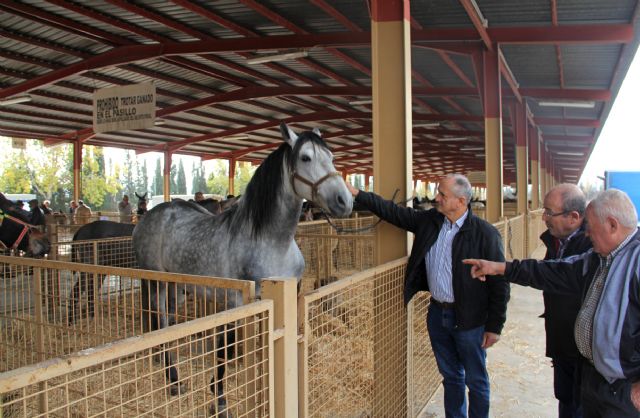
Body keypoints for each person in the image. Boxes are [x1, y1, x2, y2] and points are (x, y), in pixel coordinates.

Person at [464, 189, 640, 417]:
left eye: (591, 228)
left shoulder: (636, 262)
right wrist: (500, 268)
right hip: (594, 378)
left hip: (624, 388)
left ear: (612, 225)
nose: (587, 234)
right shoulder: (598, 259)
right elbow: (551, 271)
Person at [346, 174, 510, 418]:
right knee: (451, 376)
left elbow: (500, 285)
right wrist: (358, 194)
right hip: (437, 313)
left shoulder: (485, 234)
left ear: (461, 201)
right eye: (438, 192)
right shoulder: (430, 221)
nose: (436, 198)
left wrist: (495, 326)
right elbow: (394, 213)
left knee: (476, 380)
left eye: (443, 195)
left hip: (470, 318)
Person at [537, 184, 591, 418]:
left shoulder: (592, 247)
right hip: (562, 343)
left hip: (583, 352)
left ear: (574, 217)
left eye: (550, 212)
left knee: (580, 404)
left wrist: (504, 268)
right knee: (566, 399)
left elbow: (549, 275)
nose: (544, 217)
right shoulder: (557, 242)